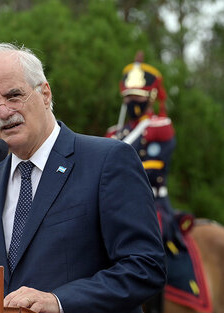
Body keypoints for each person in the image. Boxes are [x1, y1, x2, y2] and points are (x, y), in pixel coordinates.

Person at [0, 43, 166, 313]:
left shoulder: (108, 161)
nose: (4, 112)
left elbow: (145, 267)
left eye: (14, 96)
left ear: (45, 94)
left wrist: (59, 301)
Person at [105, 53, 196, 313]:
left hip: (152, 201)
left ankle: (156, 304)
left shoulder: (159, 126)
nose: (132, 102)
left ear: (151, 99)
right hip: (115, 202)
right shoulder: (114, 133)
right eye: (128, 97)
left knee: (153, 239)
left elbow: (151, 171)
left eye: (138, 98)